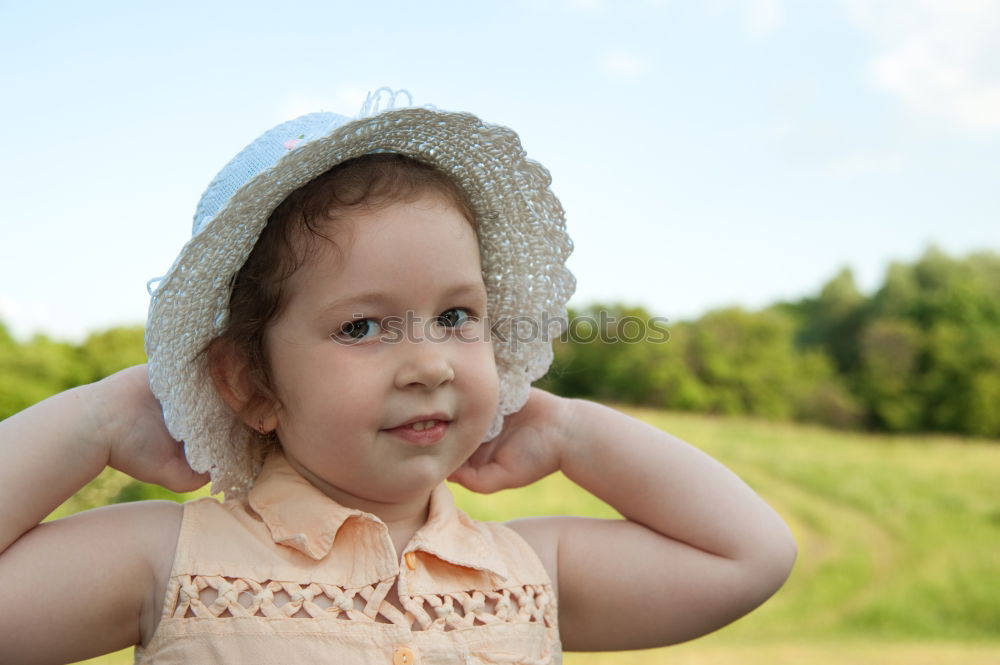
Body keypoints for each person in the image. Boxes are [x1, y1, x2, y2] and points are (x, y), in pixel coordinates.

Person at [0, 89, 796, 664]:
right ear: (248, 382)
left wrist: (569, 430)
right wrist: (96, 422)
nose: (429, 362)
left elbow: (749, 555)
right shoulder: (172, 560)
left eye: (457, 316)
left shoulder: (525, 569)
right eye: (362, 326)